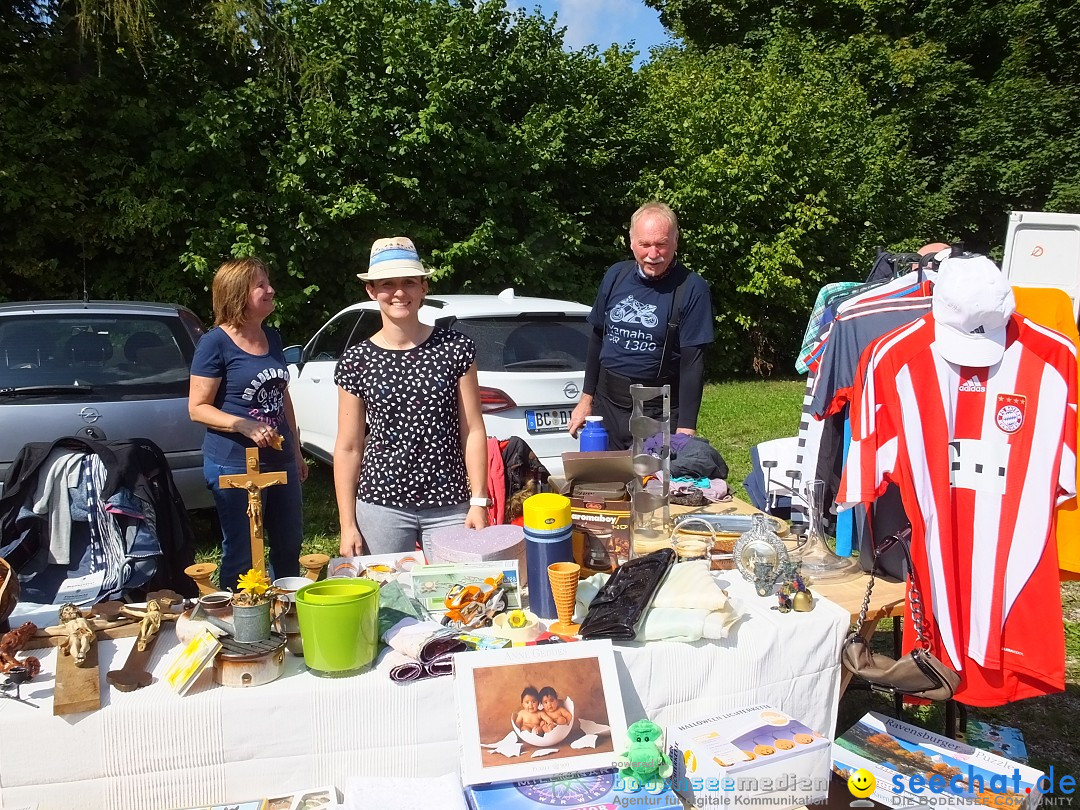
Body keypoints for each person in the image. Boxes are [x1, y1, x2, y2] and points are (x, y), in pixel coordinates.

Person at [334, 237, 490, 559]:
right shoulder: (355, 361)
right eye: (387, 284)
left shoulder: (456, 349)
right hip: (381, 504)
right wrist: (347, 523)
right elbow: (349, 447)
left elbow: (473, 429)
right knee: (387, 599)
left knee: (456, 597)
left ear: (423, 288)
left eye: (409, 282)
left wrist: (479, 501)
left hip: (449, 501)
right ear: (372, 291)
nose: (399, 292)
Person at [188, 257, 307, 592]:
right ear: (238, 294)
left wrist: (295, 451)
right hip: (234, 464)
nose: (271, 290)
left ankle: (287, 613)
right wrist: (241, 424)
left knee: (288, 544)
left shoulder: (273, 336)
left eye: (268, 282)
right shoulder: (214, 343)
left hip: (279, 460)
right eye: (260, 285)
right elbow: (197, 408)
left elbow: (282, 397)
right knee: (242, 551)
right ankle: (239, 622)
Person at [568, 202, 714, 450]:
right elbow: (597, 339)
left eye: (661, 244)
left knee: (651, 486)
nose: (653, 254)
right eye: (645, 244)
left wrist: (686, 429)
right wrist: (586, 399)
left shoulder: (692, 288)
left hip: (656, 410)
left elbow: (693, 363)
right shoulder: (616, 276)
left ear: (675, 241)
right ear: (632, 241)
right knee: (603, 485)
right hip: (607, 406)